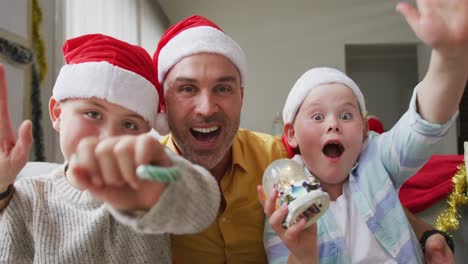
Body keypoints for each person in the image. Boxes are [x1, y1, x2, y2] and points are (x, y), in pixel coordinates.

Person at [1, 15, 455, 263]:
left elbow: (359, 188)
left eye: (222, 88)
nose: (205, 107)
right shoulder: (140, 169)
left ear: (241, 96)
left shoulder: (281, 158)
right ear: (163, 107)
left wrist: (428, 233)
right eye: (186, 89)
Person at [261, 0, 468, 262]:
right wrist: (302, 255)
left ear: (364, 130)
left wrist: (449, 59)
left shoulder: (377, 160)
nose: (333, 124)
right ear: (291, 134)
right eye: (317, 116)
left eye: (346, 115)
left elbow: (423, 125)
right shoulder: (286, 193)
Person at [0, 33, 220, 263]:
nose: (109, 137)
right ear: (57, 113)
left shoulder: (146, 175)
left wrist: (161, 186)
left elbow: (202, 204)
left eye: (129, 124)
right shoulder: (26, 197)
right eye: (93, 114)